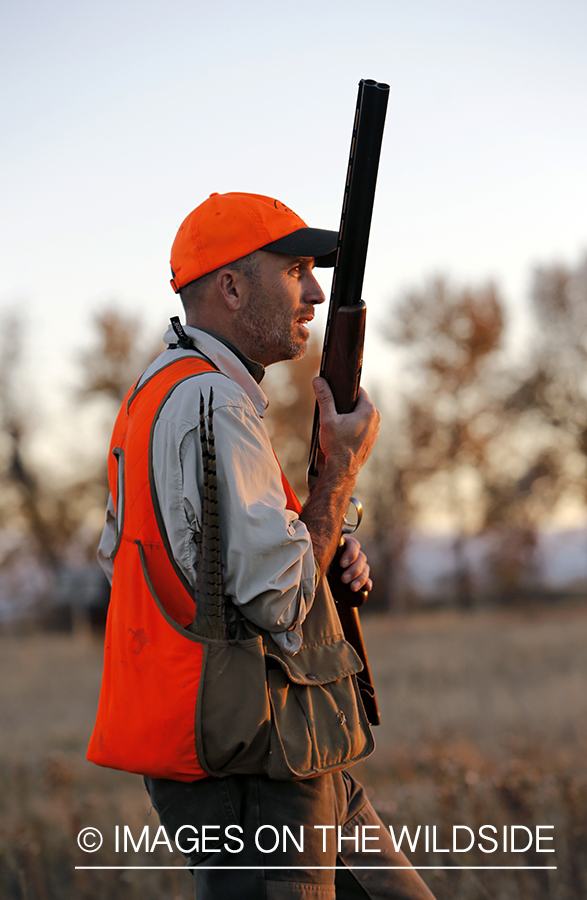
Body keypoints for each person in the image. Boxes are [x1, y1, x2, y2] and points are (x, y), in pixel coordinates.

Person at [89, 192, 436, 900]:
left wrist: (324, 545)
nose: (314, 292)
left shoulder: (158, 392)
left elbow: (147, 564)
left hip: (289, 744)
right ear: (231, 286)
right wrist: (339, 472)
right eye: (297, 270)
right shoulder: (213, 400)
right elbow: (277, 599)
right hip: (254, 763)